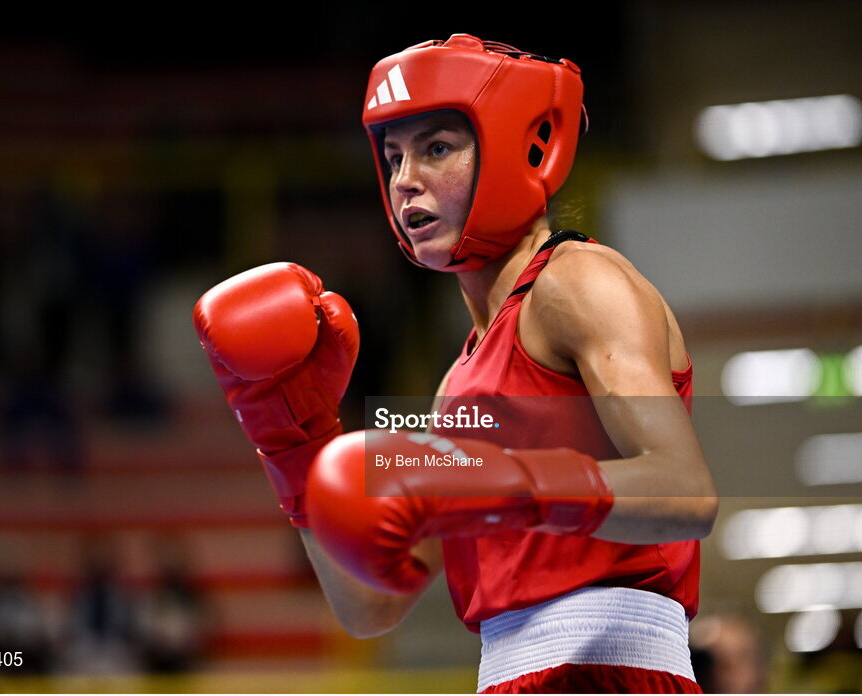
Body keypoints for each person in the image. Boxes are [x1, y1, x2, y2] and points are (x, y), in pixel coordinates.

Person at [194, 34, 718, 694]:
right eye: (392, 157)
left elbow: (686, 490)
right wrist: (292, 438)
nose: (404, 178)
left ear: (522, 148)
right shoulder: (456, 384)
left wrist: (510, 481)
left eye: (436, 148)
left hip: (613, 670)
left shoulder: (579, 283)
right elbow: (370, 609)